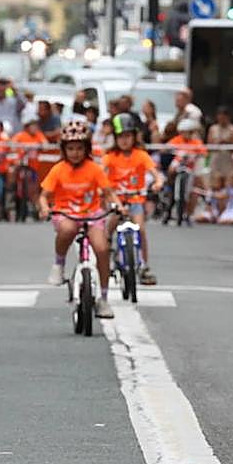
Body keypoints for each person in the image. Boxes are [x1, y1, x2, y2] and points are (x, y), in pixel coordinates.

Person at [38, 121, 118, 318]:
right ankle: (59, 264)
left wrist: (118, 205)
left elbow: (108, 192)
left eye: (80, 148)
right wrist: (44, 208)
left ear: (87, 149)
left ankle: (103, 299)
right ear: (64, 150)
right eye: (71, 148)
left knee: (102, 249)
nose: (75, 153)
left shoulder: (94, 169)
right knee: (68, 229)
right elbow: (44, 196)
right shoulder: (58, 169)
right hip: (66, 213)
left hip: (92, 215)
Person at [102, 114, 164, 285]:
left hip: (135, 198)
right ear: (115, 138)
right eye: (120, 136)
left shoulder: (141, 155)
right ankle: (106, 261)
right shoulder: (110, 156)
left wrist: (158, 182)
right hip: (116, 199)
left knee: (140, 229)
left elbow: (155, 173)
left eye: (128, 136)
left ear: (134, 136)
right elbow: (101, 172)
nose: (124, 140)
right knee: (109, 228)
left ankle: (144, 265)